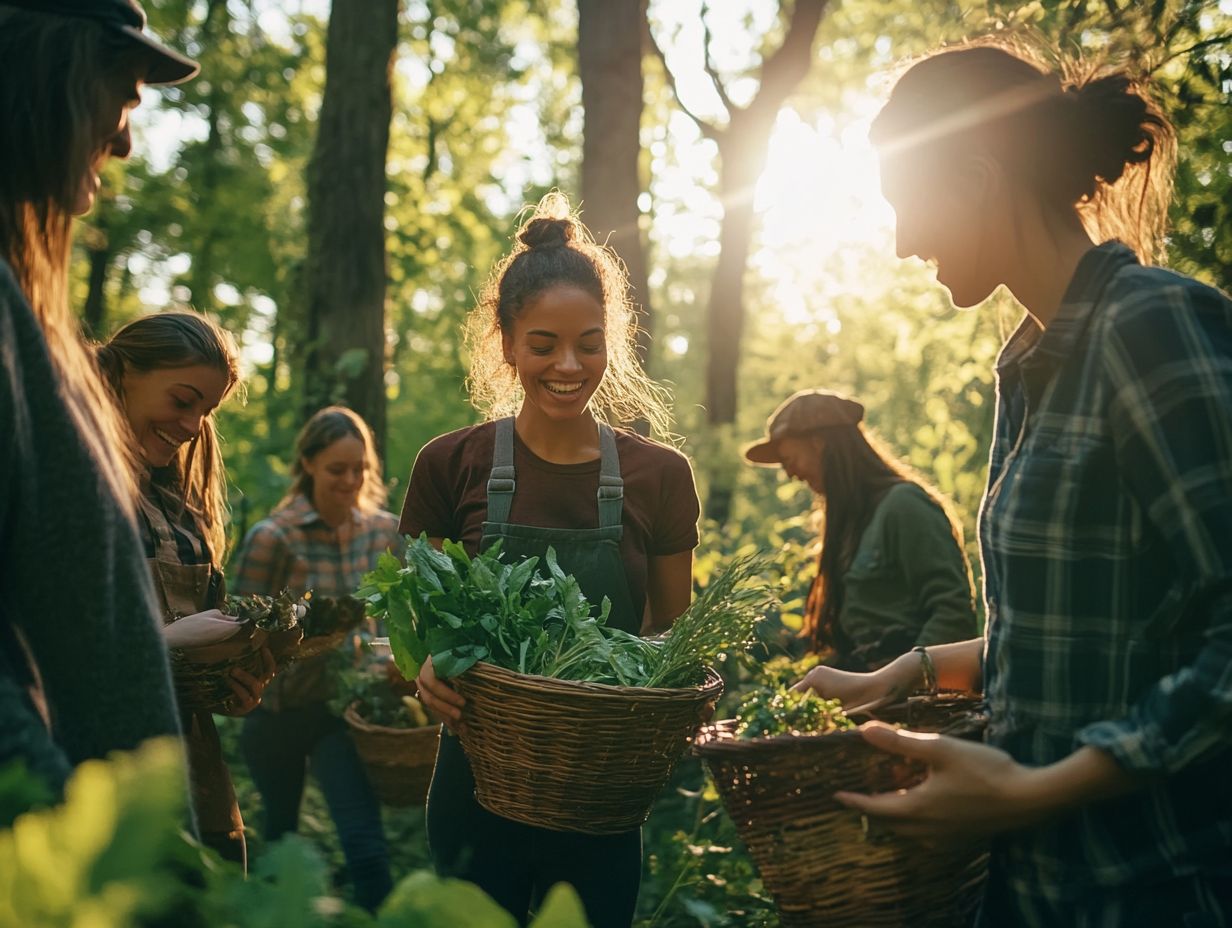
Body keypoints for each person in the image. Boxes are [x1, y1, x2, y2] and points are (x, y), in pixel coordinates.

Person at [797, 42, 1232, 925]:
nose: (902, 241)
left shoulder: (1152, 327)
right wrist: (903, 672)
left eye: (906, 206)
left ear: (977, 174)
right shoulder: (1027, 366)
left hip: (1151, 891)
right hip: (1031, 892)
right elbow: (1074, 637)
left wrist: (1036, 791)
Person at [401, 193, 701, 927]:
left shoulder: (661, 476)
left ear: (613, 342)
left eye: (589, 344)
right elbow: (412, 625)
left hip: (602, 799)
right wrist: (423, 666)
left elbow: (672, 638)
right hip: (474, 785)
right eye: (543, 345)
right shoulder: (449, 465)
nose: (569, 365)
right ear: (505, 343)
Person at [0, 0, 198, 797]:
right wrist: (94, 853)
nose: (123, 138)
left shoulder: (25, 313)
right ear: (44, 75)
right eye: (119, 94)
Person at [97, 311, 274, 868]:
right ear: (119, 374)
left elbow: (194, 650)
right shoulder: (71, 489)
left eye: (207, 410)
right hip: (99, 786)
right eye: (182, 400)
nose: (195, 425)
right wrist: (167, 641)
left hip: (195, 787)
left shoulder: (180, 510)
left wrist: (231, 684)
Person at [230, 406, 397, 912]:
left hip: (339, 713)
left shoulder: (383, 532)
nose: (350, 481)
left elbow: (387, 626)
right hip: (275, 711)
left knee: (364, 842)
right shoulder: (273, 537)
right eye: (336, 470)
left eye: (359, 469)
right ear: (307, 464)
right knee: (280, 835)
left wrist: (385, 663)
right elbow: (238, 628)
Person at [744, 388, 977, 670]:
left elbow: (953, 614)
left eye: (789, 460)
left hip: (911, 702)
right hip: (872, 694)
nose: (790, 474)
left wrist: (900, 680)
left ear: (819, 443)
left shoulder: (904, 506)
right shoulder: (850, 524)